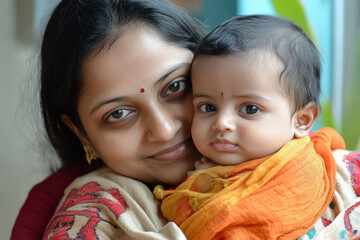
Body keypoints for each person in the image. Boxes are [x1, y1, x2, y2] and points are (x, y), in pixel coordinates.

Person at [11, 0, 204, 239]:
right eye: (118, 114)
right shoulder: (81, 216)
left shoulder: (261, 151)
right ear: (80, 131)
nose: (164, 130)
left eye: (176, 86)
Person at [154, 15, 347, 240]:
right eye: (207, 107)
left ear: (302, 120)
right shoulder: (202, 167)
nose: (221, 123)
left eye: (249, 109)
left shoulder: (300, 168)